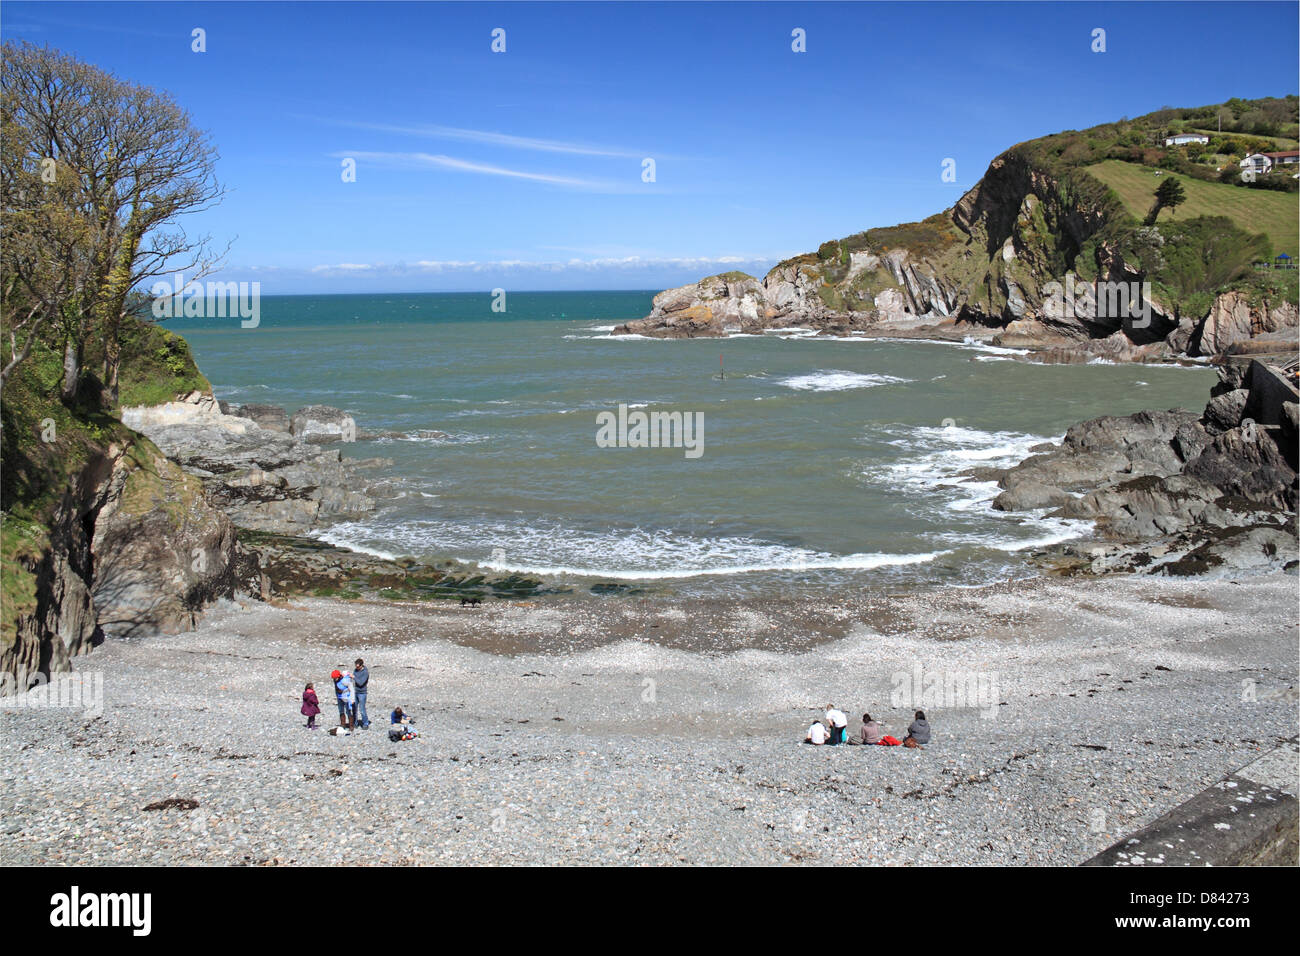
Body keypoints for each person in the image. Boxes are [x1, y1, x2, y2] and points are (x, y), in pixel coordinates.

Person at [352, 658, 370, 729]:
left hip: (362, 693)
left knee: (362, 709)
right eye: (356, 666)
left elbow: (361, 683)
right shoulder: (355, 670)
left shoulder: (365, 672)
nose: (357, 668)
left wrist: (354, 677)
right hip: (355, 692)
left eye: (358, 667)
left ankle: (365, 723)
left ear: (361, 665)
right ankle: (355, 723)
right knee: (354, 709)